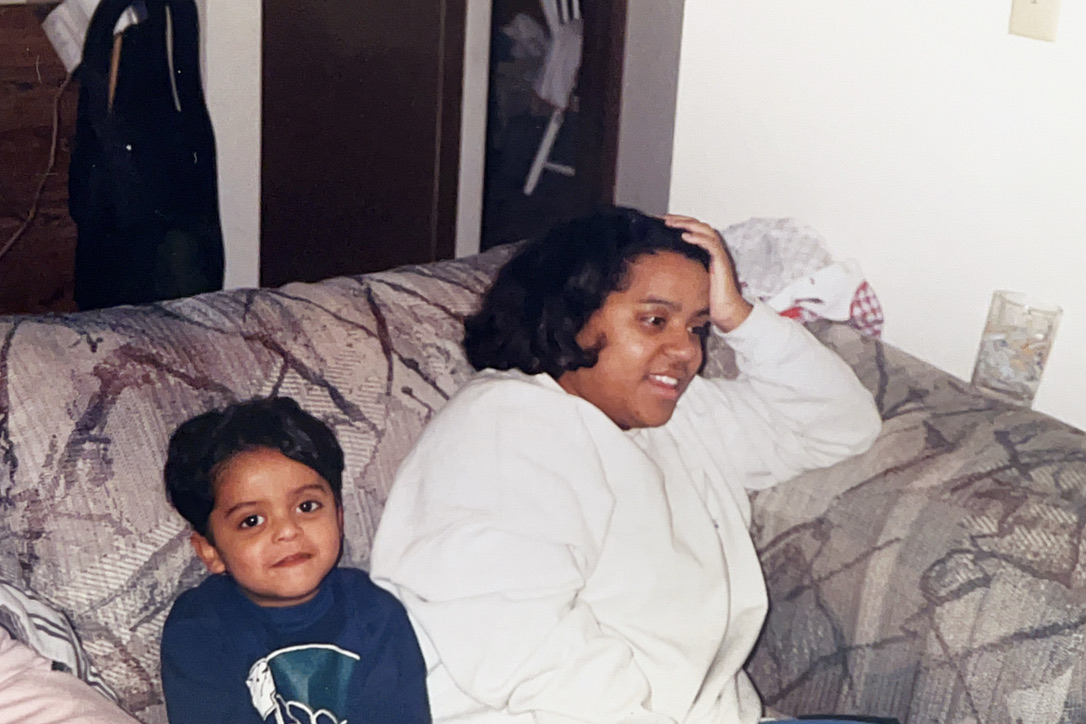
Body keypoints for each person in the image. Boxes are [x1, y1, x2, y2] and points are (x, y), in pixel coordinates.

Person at [369, 207, 883, 723]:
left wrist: (740, 317)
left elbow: (842, 423)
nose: (686, 351)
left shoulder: (680, 418)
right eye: (654, 321)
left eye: (697, 327)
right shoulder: (506, 422)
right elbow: (518, 644)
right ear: (570, 315)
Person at [160, 397, 430, 724]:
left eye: (306, 507)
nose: (288, 531)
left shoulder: (376, 614)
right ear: (210, 551)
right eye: (252, 521)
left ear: (339, 517)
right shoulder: (199, 629)